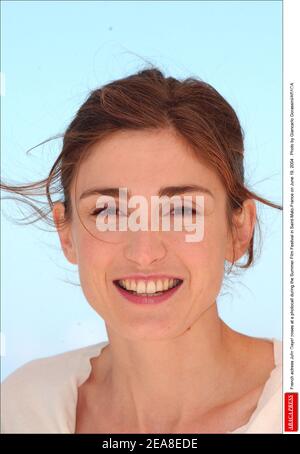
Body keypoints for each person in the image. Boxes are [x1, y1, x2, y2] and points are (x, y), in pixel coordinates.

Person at [1, 67, 282, 434]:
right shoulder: (21, 407)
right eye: (108, 212)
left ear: (239, 229)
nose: (144, 252)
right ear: (66, 233)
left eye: (182, 212)